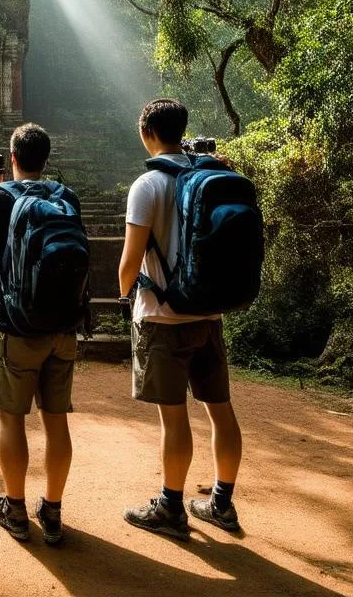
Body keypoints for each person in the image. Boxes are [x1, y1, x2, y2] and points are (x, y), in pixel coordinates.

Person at [118, 98, 243, 539]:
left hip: (163, 317)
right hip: (208, 312)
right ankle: (222, 504)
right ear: (182, 129)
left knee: (175, 419)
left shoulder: (147, 184)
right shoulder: (212, 173)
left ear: (146, 132)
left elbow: (130, 262)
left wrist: (124, 294)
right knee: (220, 412)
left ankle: (171, 508)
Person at [0, 123, 81, 545]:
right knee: (56, 422)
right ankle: (55, 512)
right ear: (46, 158)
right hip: (64, 328)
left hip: (15, 327)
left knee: (12, 422)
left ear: (12, 158)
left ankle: (15, 509)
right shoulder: (66, 198)